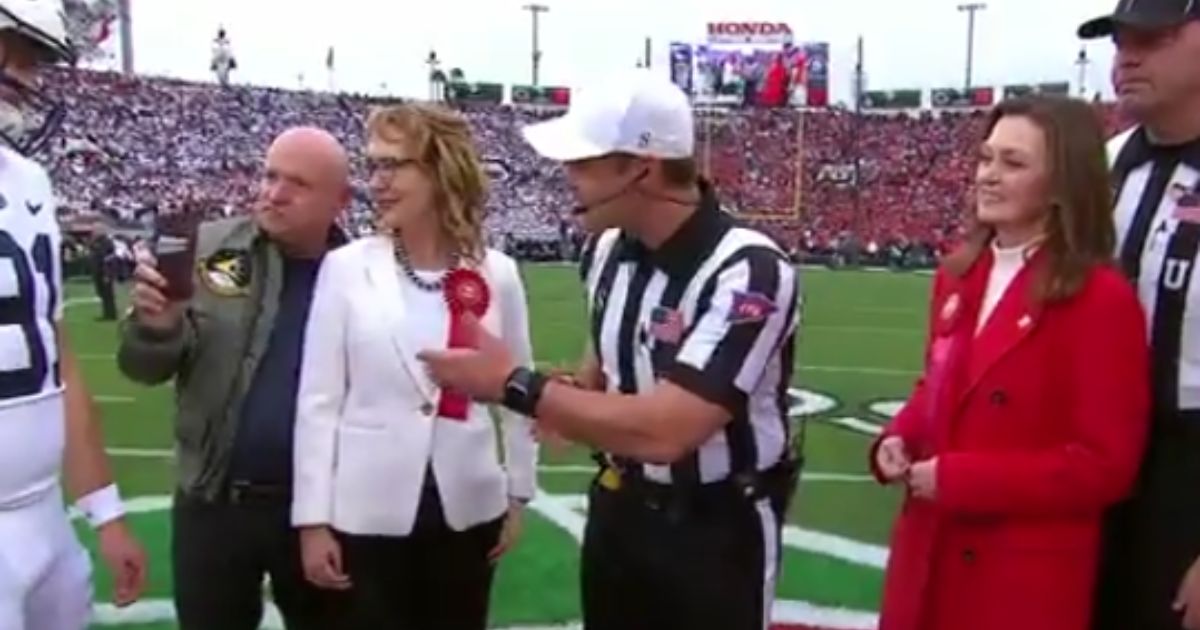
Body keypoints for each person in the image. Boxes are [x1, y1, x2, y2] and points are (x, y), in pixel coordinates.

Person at [420, 70, 801, 630]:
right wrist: (568, 399)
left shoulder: (748, 269)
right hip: (619, 512)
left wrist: (517, 386)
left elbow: (668, 431)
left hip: (714, 530)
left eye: (584, 162)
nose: (567, 176)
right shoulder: (605, 252)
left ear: (640, 169)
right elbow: (602, 373)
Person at [868, 96, 1150, 630]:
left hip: (1017, 582)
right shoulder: (958, 272)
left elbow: (1105, 466)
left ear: (1063, 184)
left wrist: (962, 479)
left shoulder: (1099, 299)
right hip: (929, 555)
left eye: (1013, 164)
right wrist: (897, 436)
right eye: (985, 158)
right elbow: (939, 385)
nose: (988, 176)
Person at [293, 103, 536, 630]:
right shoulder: (344, 269)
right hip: (366, 513)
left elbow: (521, 396)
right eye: (373, 165)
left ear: (442, 169)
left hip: (469, 508)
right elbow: (318, 402)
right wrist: (312, 521)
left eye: (394, 165)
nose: (376, 182)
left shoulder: (499, 275)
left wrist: (518, 493)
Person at [116, 126, 351, 629]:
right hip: (213, 502)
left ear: (340, 200)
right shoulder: (213, 248)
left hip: (319, 509)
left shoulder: (360, 272)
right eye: (269, 175)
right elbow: (143, 369)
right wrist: (156, 329)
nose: (274, 192)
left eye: (298, 183)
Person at [0, 1, 148, 627]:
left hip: (45, 517)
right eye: (12, 51)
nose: (25, 75)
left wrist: (106, 509)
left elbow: (58, 357)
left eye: (32, 59)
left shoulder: (29, 180)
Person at [1078, 2, 1200, 629]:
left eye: (1153, 38)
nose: (1127, 56)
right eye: (1122, 39)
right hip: (1098, 455)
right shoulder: (1106, 162)